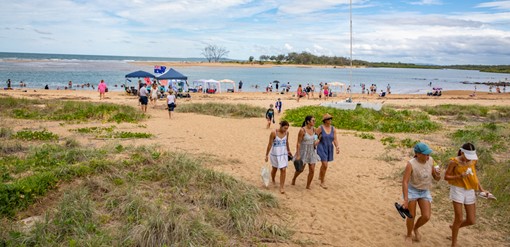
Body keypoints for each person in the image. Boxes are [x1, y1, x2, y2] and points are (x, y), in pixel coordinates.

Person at [444, 143, 490, 247]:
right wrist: (459, 176)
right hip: (457, 189)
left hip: (470, 190)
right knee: (459, 218)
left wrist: (482, 190)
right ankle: (454, 243)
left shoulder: (473, 161)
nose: (468, 159)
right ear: (462, 152)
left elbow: (474, 177)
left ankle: (454, 227)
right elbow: (446, 177)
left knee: (471, 220)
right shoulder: (454, 162)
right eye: (467, 156)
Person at [401, 142, 441, 243]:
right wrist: (406, 200)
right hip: (412, 190)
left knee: (426, 216)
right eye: (425, 154)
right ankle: (409, 235)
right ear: (418, 154)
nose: (428, 156)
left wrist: (437, 175)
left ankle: (415, 228)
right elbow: (405, 182)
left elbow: (436, 178)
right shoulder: (411, 164)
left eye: (428, 154)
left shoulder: (430, 160)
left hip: (424, 191)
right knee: (411, 215)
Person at [292, 116, 320, 189]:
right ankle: (294, 178)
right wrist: (298, 155)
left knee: (312, 170)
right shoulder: (302, 130)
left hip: (311, 151)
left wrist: (316, 141)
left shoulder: (314, 129)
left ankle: (308, 185)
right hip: (303, 151)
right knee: (300, 169)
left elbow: (315, 138)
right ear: (308, 121)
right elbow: (298, 143)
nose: (314, 122)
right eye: (313, 121)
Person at [265, 120, 292, 194]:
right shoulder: (274, 133)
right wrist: (266, 155)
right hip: (275, 153)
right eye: (284, 128)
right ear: (281, 126)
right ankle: (273, 178)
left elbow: (287, 142)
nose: (285, 130)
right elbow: (270, 144)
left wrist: (289, 151)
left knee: (283, 169)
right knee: (274, 169)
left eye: (287, 128)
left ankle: (282, 187)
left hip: (283, 153)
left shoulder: (287, 133)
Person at [314, 113, 339, 189]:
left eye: (330, 119)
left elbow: (335, 139)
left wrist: (337, 146)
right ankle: (322, 182)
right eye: (328, 119)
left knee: (324, 165)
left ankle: (320, 175)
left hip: (329, 147)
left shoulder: (333, 129)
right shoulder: (320, 128)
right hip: (321, 146)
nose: (330, 120)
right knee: (325, 165)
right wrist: (316, 141)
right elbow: (315, 135)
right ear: (325, 121)